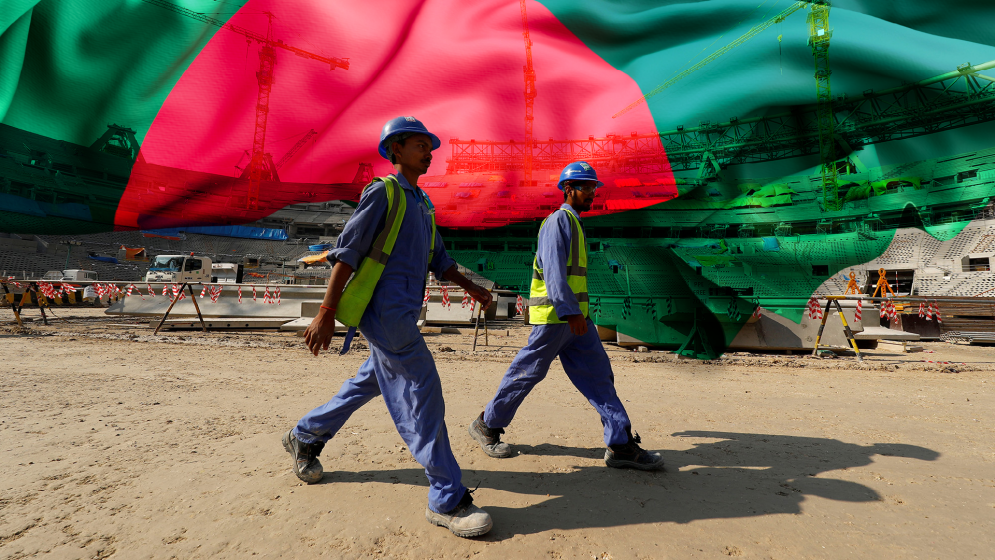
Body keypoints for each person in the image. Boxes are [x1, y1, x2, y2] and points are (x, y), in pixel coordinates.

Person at [283, 116, 495, 538]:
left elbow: (440, 260)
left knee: (370, 380)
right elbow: (347, 253)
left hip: (401, 314)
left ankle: (305, 435)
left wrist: (473, 287)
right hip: (385, 314)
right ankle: (446, 497)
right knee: (423, 391)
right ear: (395, 149)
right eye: (420, 145)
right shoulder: (383, 193)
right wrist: (326, 311)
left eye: (429, 146)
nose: (428, 152)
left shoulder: (422, 203)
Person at [468, 161, 665, 471]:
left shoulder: (574, 223)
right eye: (586, 187)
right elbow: (554, 273)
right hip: (555, 319)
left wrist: (578, 315)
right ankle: (487, 424)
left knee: (600, 377)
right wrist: (570, 311)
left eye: (594, 187)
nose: (592, 193)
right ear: (569, 189)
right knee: (527, 373)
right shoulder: (558, 221)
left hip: (577, 322)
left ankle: (620, 445)